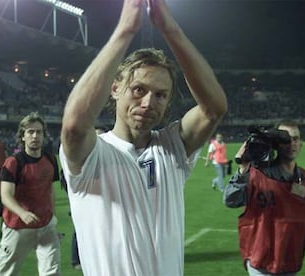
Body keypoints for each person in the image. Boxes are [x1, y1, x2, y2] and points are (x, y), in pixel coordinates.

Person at [59, 0, 228, 275]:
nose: (149, 102)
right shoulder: (94, 154)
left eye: (160, 95)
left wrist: (170, 29)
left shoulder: (172, 148)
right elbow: (74, 126)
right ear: (114, 89)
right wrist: (125, 30)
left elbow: (214, 109)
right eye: (138, 89)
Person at [223, 120, 305, 276]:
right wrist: (243, 169)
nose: (291, 143)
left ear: (301, 144)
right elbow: (230, 200)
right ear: (276, 143)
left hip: (290, 263)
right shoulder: (256, 174)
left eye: (296, 138)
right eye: (285, 139)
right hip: (260, 263)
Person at [0, 112, 61, 276]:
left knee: (51, 272)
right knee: (6, 272)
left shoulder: (51, 160)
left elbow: (50, 190)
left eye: (39, 132)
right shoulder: (13, 162)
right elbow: (6, 195)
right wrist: (23, 213)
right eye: (30, 132)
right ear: (22, 136)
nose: (35, 136)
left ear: (44, 135)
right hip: (18, 227)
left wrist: (53, 218)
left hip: (46, 226)